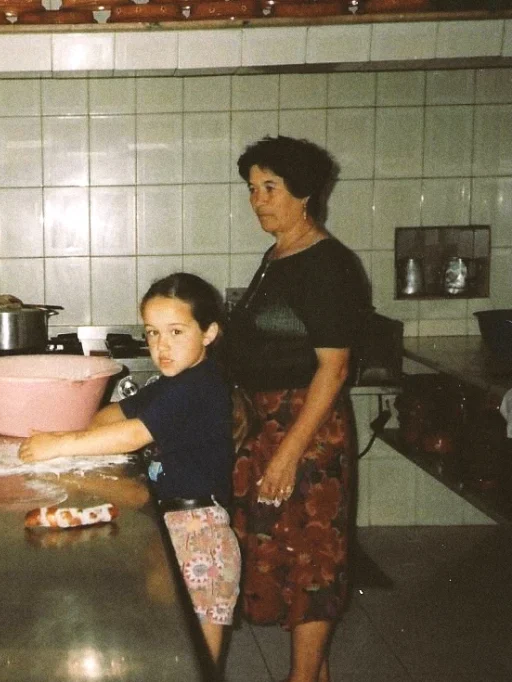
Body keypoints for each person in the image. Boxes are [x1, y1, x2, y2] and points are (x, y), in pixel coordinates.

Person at [18, 273, 239, 670]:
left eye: (175, 332)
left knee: (200, 663)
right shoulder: (172, 383)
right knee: (169, 648)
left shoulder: (200, 385)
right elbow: (113, 415)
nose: (161, 346)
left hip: (200, 533)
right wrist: (76, 435)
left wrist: (60, 445)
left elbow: (135, 433)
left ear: (209, 332)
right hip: (168, 521)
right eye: (152, 333)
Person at [226, 136, 371, 682]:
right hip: (270, 424)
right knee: (286, 556)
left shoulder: (328, 264)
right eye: (252, 189)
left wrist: (287, 455)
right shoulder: (279, 254)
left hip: (306, 429)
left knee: (312, 558)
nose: (258, 200)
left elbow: (332, 369)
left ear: (305, 193)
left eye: (271, 188)